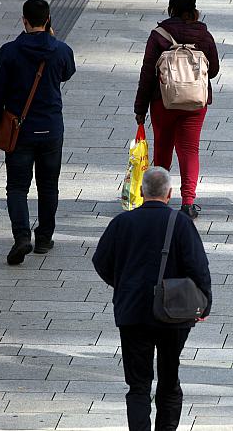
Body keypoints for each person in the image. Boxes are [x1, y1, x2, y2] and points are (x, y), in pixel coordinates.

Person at [92, 167, 212, 431]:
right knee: (169, 381)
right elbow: (199, 268)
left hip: (132, 311)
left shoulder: (121, 223)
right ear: (169, 194)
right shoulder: (181, 224)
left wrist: (122, 285)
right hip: (174, 314)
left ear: (142, 192)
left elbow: (100, 261)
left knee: (138, 385)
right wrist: (205, 304)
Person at [0, 0, 76, 265]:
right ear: (48, 19)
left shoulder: (10, 51)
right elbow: (67, 73)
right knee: (49, 187)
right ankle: (45, 238)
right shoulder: (61, 50)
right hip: (51, 129)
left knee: (16, 187)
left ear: (23, 19)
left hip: (19, 131)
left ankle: (22, 237)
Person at [134, 0, 219, 220]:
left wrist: (140, 108)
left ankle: (157, 200)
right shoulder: (203, 35)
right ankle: (188, 202)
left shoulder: (159, 35)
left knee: (163, 148)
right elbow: (214, 70)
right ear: (194, 9)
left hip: (163, 101)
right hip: (195, 102)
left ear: (171, 8)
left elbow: (147, 73)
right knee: (189, 150)